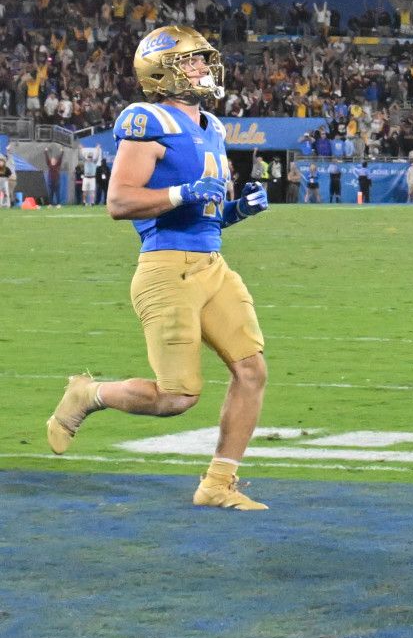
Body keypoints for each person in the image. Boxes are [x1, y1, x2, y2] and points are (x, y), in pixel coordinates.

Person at [46, 25, 271, 510]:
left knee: (251, 371)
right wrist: (183, 192)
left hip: (212, 265)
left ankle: (216, 484)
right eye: (190, 62)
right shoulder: (147, 119)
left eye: (202, 60)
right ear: (160, 72)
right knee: (177, 397)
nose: (202, 69)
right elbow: (120, 201)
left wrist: (238, 211)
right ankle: (89, 394)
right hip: (167, 268)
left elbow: (203, 216)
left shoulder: (211, 125)